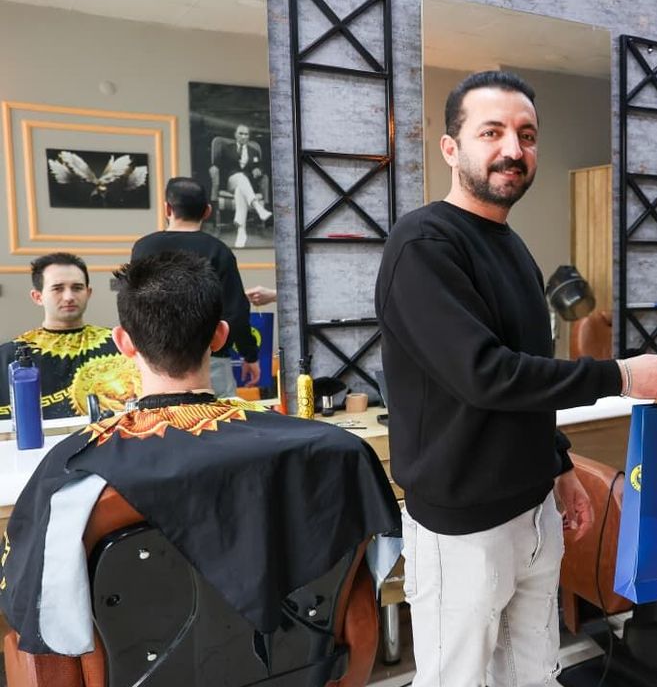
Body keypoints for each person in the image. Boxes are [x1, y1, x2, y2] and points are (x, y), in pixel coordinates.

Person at [375, 70, 657, 687]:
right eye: (492, 132)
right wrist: (621, 375)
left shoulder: (513, 247)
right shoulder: (424, 244)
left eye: (527, 135)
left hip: (534, 509)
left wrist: (558, 464)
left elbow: (524, 379)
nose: (513, 149)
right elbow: (486, 375)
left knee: (533, 675)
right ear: (451, 147)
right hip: (464, 527)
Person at [0, 251, 400, 656]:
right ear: (220, 335)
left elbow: (45, 623)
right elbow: (372, 570)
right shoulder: (341, 449)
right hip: (301, 668)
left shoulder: (74, 474)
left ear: (123, 343)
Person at [132, 177, 260, 397]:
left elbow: (133, 306)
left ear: (167, 208)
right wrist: (250, 355)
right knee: (219, 418)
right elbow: (236, 312)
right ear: (207, 211)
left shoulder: (143, 248)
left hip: (154, 363)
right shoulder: (218, 250)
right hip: (210, 361)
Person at [0, 252, 140, 419]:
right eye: (57, 288)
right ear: (38, 297)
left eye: (77, 288)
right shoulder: (9, 357)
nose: (69, 297)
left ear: (88, 293)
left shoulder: (122, 343)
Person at [210, 123, 272, 248]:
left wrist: (259, 170)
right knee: (240, 177)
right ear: (235, 135)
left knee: (240, 190)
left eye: (246, 134)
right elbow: (216, 163)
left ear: (249, 136)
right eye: (241, 133)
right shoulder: (226, 148)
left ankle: (241, 231)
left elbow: (261, 167)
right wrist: (214, 170)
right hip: (230, 182)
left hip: (247, 186)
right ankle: (257, 207)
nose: (244, 136)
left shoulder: (254, 151)